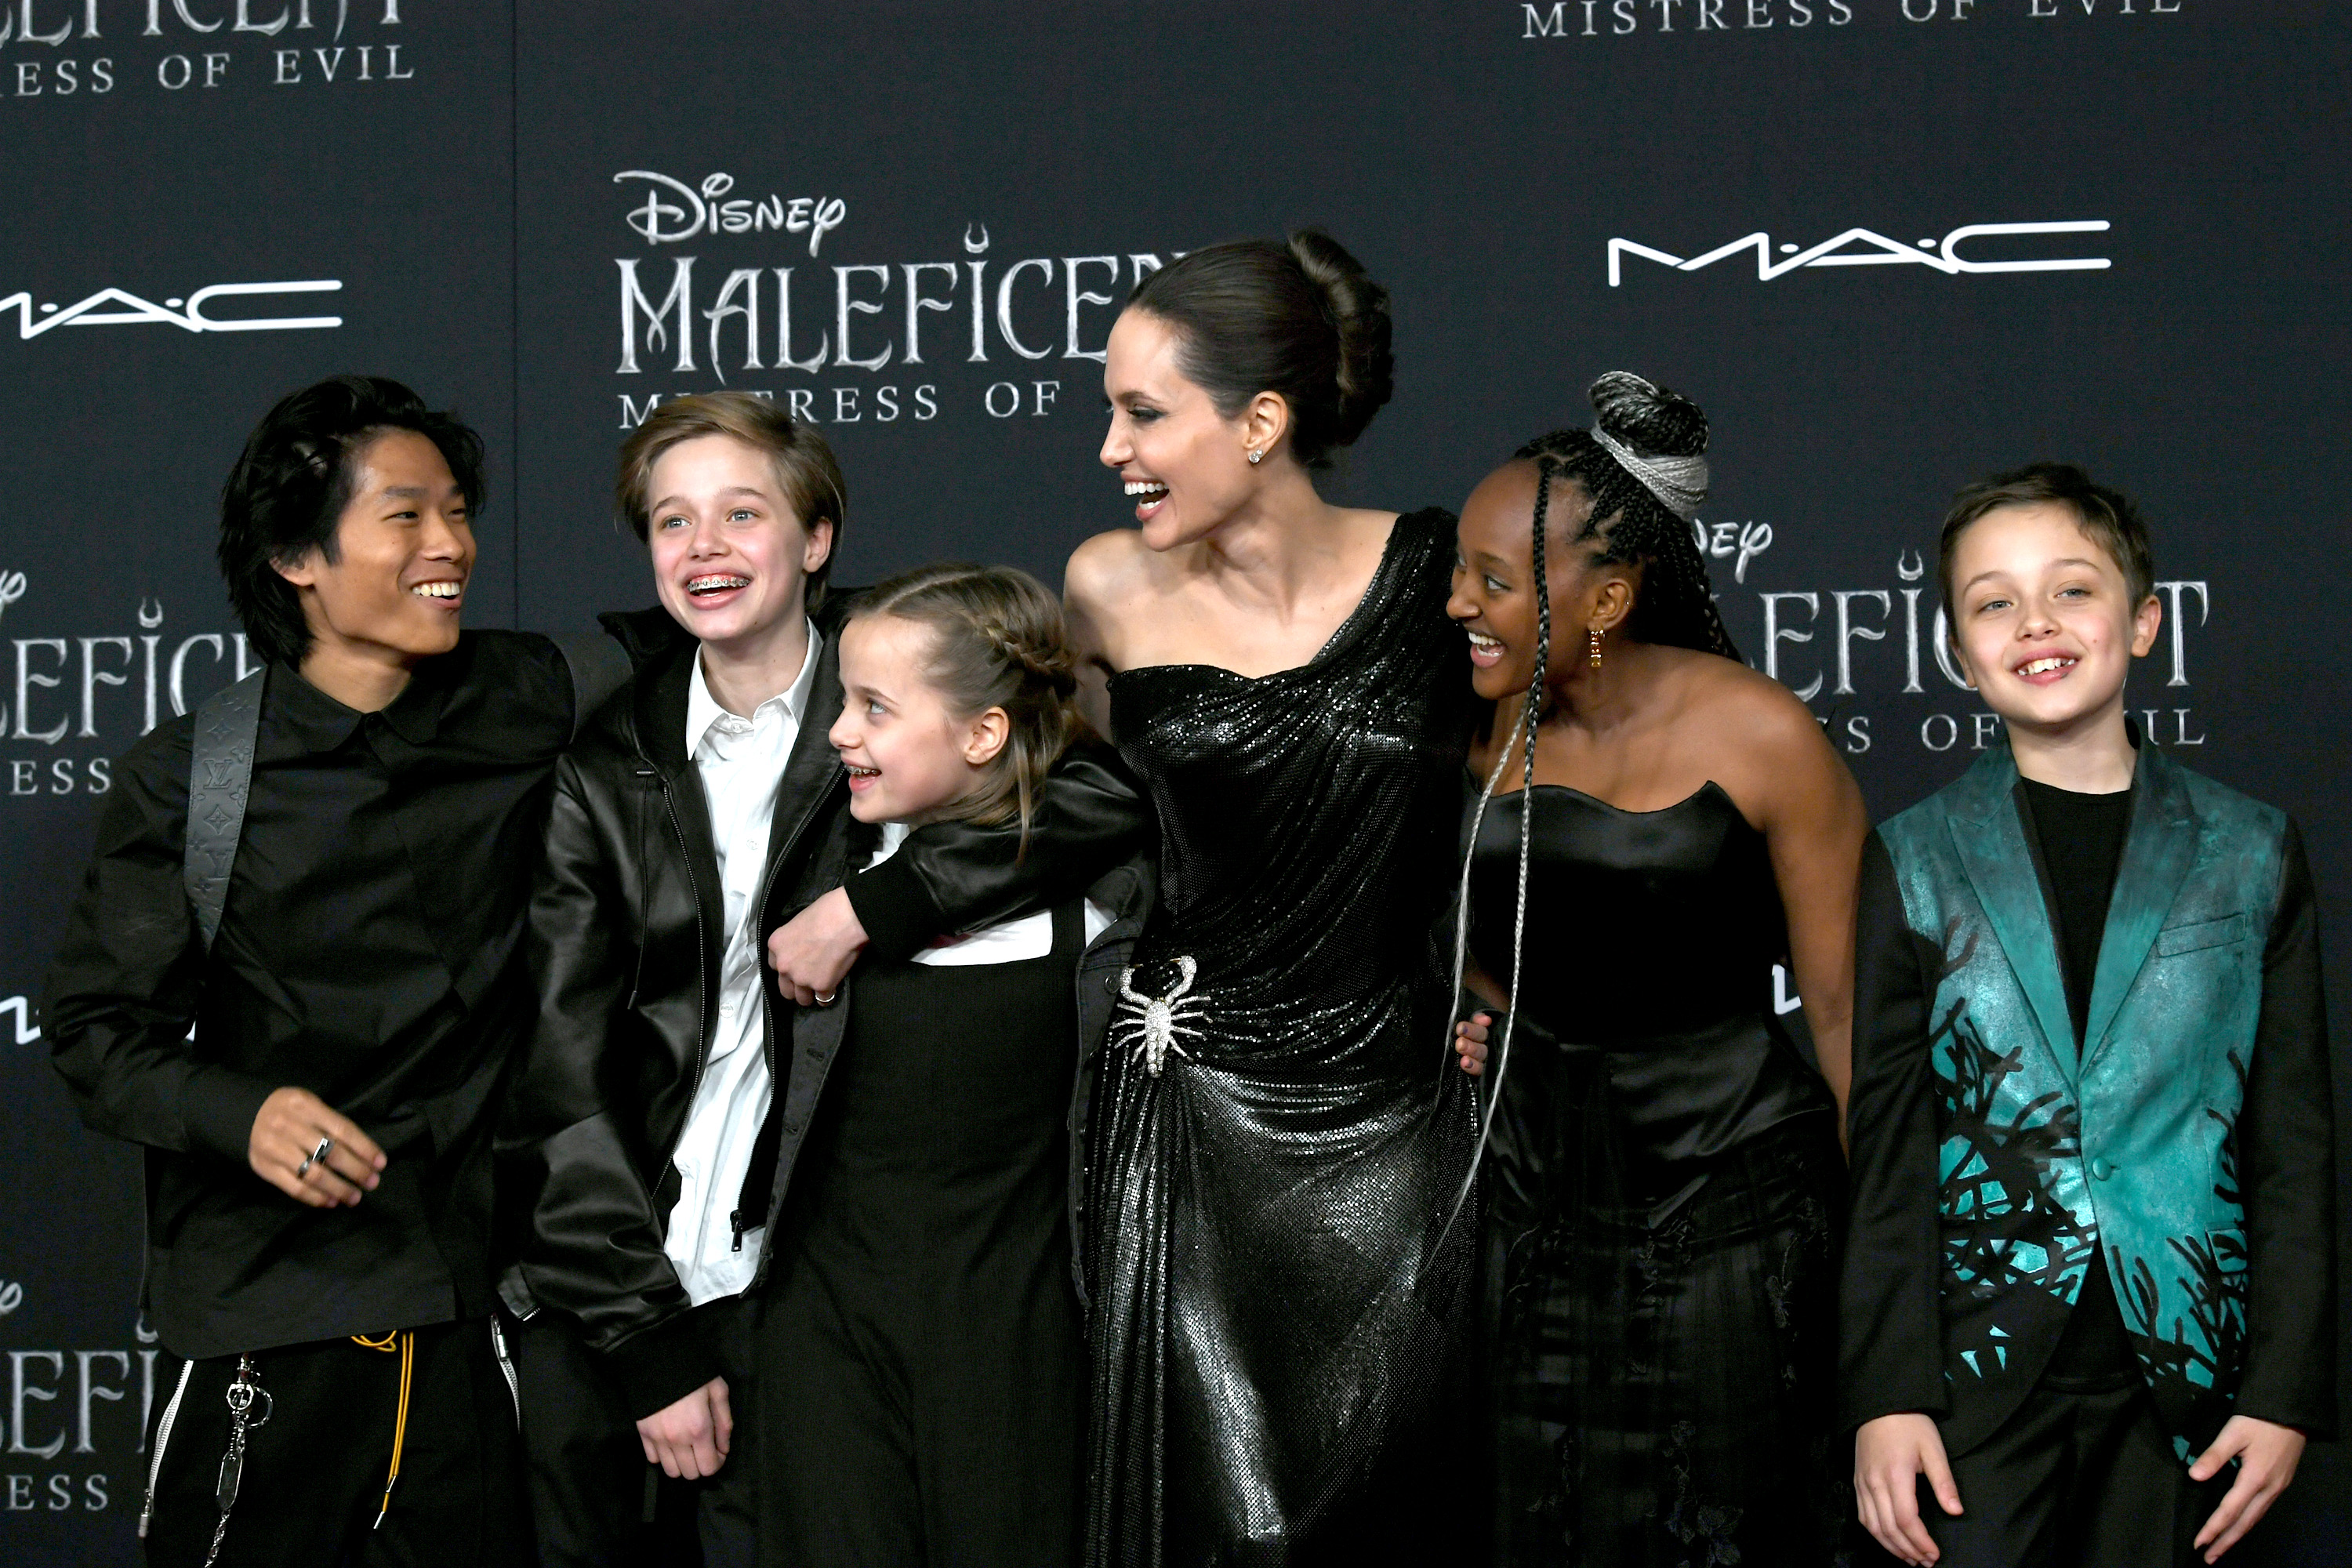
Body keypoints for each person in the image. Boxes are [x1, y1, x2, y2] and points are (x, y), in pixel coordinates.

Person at [498, 395, 1144, 1566]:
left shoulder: (891, 692)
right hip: (624, 1282)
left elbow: (1088, 793)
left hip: (796, 1266)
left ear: (817, 538)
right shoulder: (607, 767)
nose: (703, 549)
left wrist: (871, 906)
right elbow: (561, 1079)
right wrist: (641, 1334)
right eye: (671, 521)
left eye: (741, 514)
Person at [45, 376, 564, 1564]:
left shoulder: (529, 696)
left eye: (459, 511)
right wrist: (245, 1112)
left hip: (477, 1312)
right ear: (295, 555)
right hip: (265, 1316)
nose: (452, 545)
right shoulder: (193, 779)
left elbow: (752, 649)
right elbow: (94, 1035)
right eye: (406, 515)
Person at [1063, 230, 1482, 1565]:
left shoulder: (1440, 578)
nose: (1112, 449)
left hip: (1401, 1126)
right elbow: (1079, 813)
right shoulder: (1104, 589)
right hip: (1191, 1133)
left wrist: (1498, 986)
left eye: (1144, 412)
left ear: (1260, 421)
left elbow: (1548, 805)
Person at [1842, 463, 2336, 1567]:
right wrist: (1887, 1395)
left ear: (2145, 620)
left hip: (2193, 1379)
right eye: (1993, 602)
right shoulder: (1912, 858)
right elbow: (1889, 1144)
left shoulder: (2252, 851)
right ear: (1960, 653)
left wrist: (2287, 1391)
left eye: (2072, 589)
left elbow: (2291, 1143)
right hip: (1977, 1379)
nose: (2036, 625)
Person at [1443, 372, 1867, 1564]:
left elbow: (1841, 1020)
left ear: (1610, 596)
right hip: (1533, 1228)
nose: (1454, 602)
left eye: (1491, 578)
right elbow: (1494, 950)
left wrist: (1893, 1302)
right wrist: (1476, 1021)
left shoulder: (1765, 736)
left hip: (1732, 1218)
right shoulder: (1479, 727)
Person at [750, 562, 1149, 1568]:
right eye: (844, 700)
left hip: (1017, 1340)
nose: (839, 729)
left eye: (875, 707)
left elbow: (1109, 799)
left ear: (982, 734)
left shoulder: (1110, 916)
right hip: (826, 1332)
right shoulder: (815, 866)